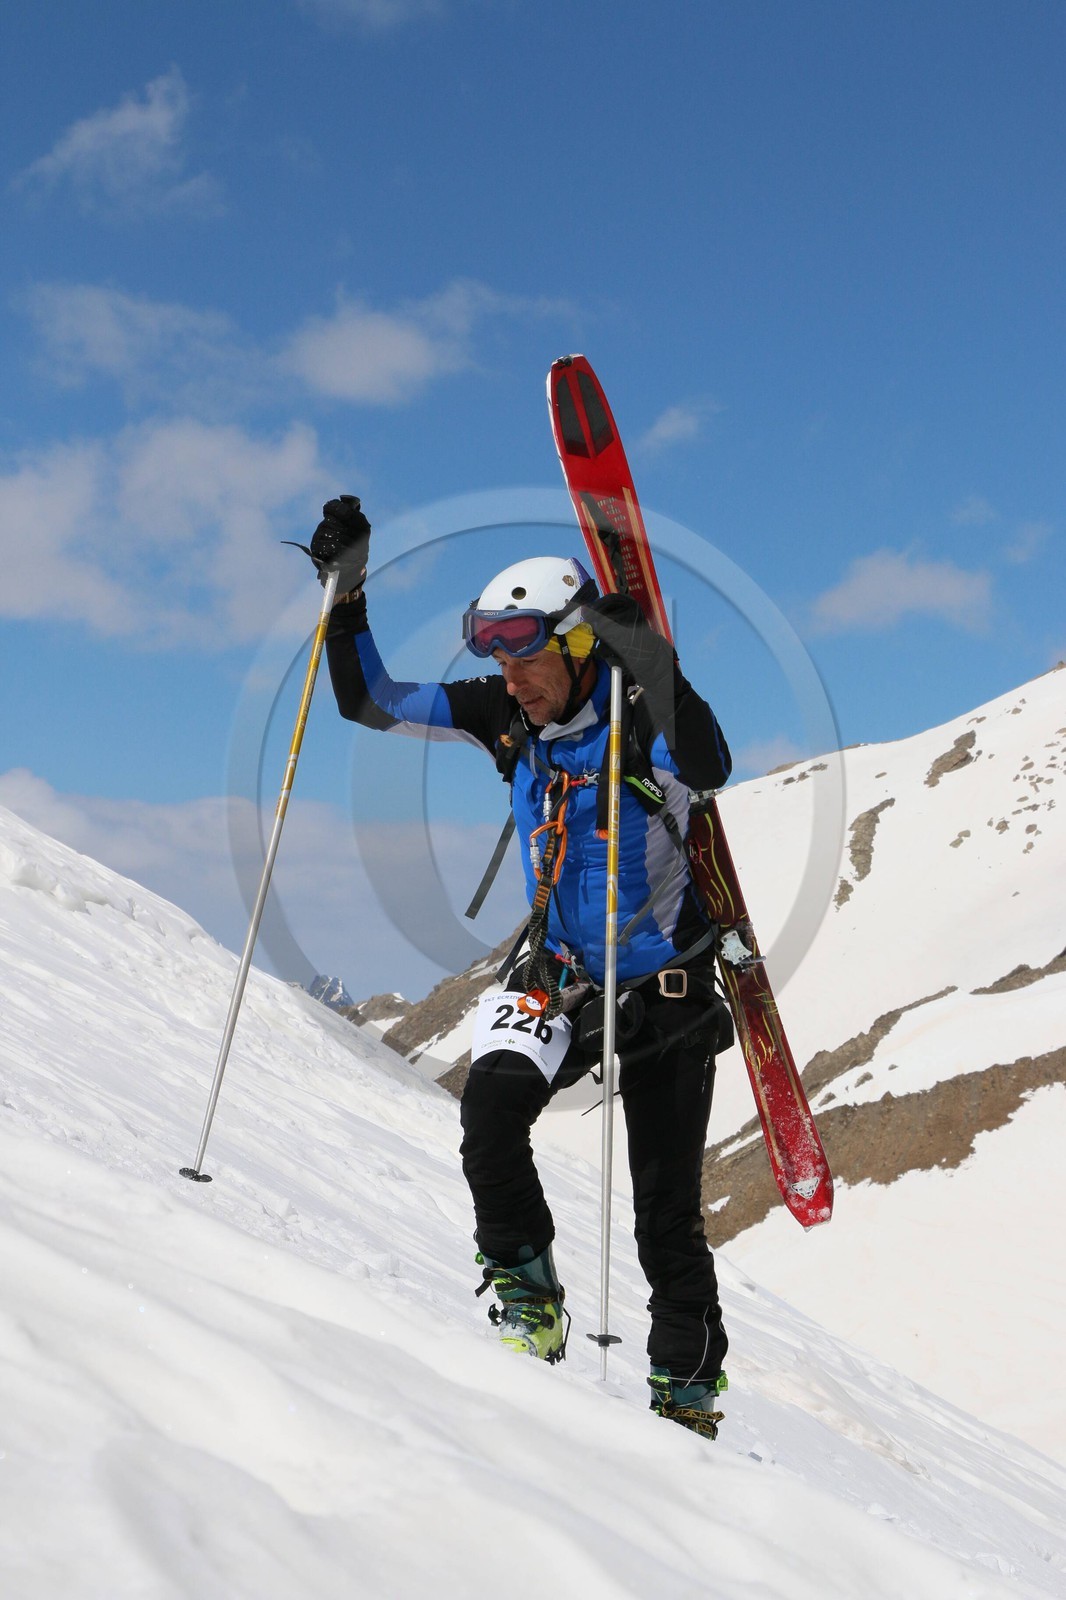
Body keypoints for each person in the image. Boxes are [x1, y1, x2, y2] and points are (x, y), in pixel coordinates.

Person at [310, 495, 734, 1438]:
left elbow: (709, 765)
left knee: (665, 1214)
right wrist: (349, 594)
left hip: (665, 988)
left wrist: (653, 661)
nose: (509, 677)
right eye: (495, 657)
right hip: (561, 968)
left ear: (579, 646)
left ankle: (687, 1396)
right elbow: (368, 700)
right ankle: (529, 1304)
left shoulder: (643, 714)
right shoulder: (505, 715)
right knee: (489, 1114)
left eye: (525, 656)